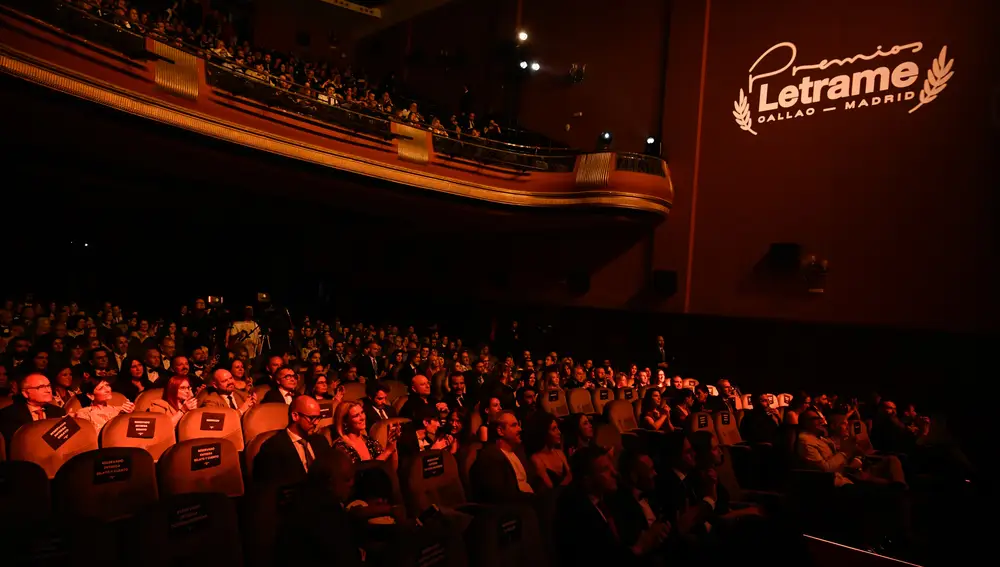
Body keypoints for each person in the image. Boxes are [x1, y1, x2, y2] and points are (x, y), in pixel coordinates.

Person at [554, 446, 670, 567]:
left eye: (611, 467)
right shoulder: (575, 511)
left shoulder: (607, 500)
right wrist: (640, 547)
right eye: (605, 469)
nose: (614, 473)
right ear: (586, 480)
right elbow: (604, 559)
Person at [273, 450, 364, 567]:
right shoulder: (325, 511)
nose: (352, 483)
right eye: (347, 479)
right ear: (330, 480)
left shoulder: (303, 497)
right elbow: (344, 557)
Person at [253, 395, 332, 484]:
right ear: (295, 416)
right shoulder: (272, 448)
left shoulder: (321, 441)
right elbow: (269, 489)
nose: (317, 423)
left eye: (318, 418)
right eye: (312, 418)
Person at [469, 410, 534, 503]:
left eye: (518, 425)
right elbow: (500, 497)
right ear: (500, 431)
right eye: (514, 425)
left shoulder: (519, 452)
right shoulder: (490, 457)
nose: (519, 429)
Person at [0, 373, 66, 446]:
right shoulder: (9, 415)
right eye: (41, 387)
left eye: (48, 386)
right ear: (25, 393)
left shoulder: (58, 412)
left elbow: (63, 442)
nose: (48, 390)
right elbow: (18, 444)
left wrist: (71, 423)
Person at [331, 401, 398, 464]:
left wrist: (393, 446)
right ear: (345, 422)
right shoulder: (340, 447)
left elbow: (391, 469)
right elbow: (365, 473)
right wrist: (387, 451)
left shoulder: (370, 442)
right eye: (356, 415)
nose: (362, 417)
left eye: (362, 412)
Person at [524, 412, 572, 491]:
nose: (559, 432)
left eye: (558, 428)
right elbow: (550, 489)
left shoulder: (559, 453)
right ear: (543, 432)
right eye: (554, 429)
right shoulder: (536, 459)